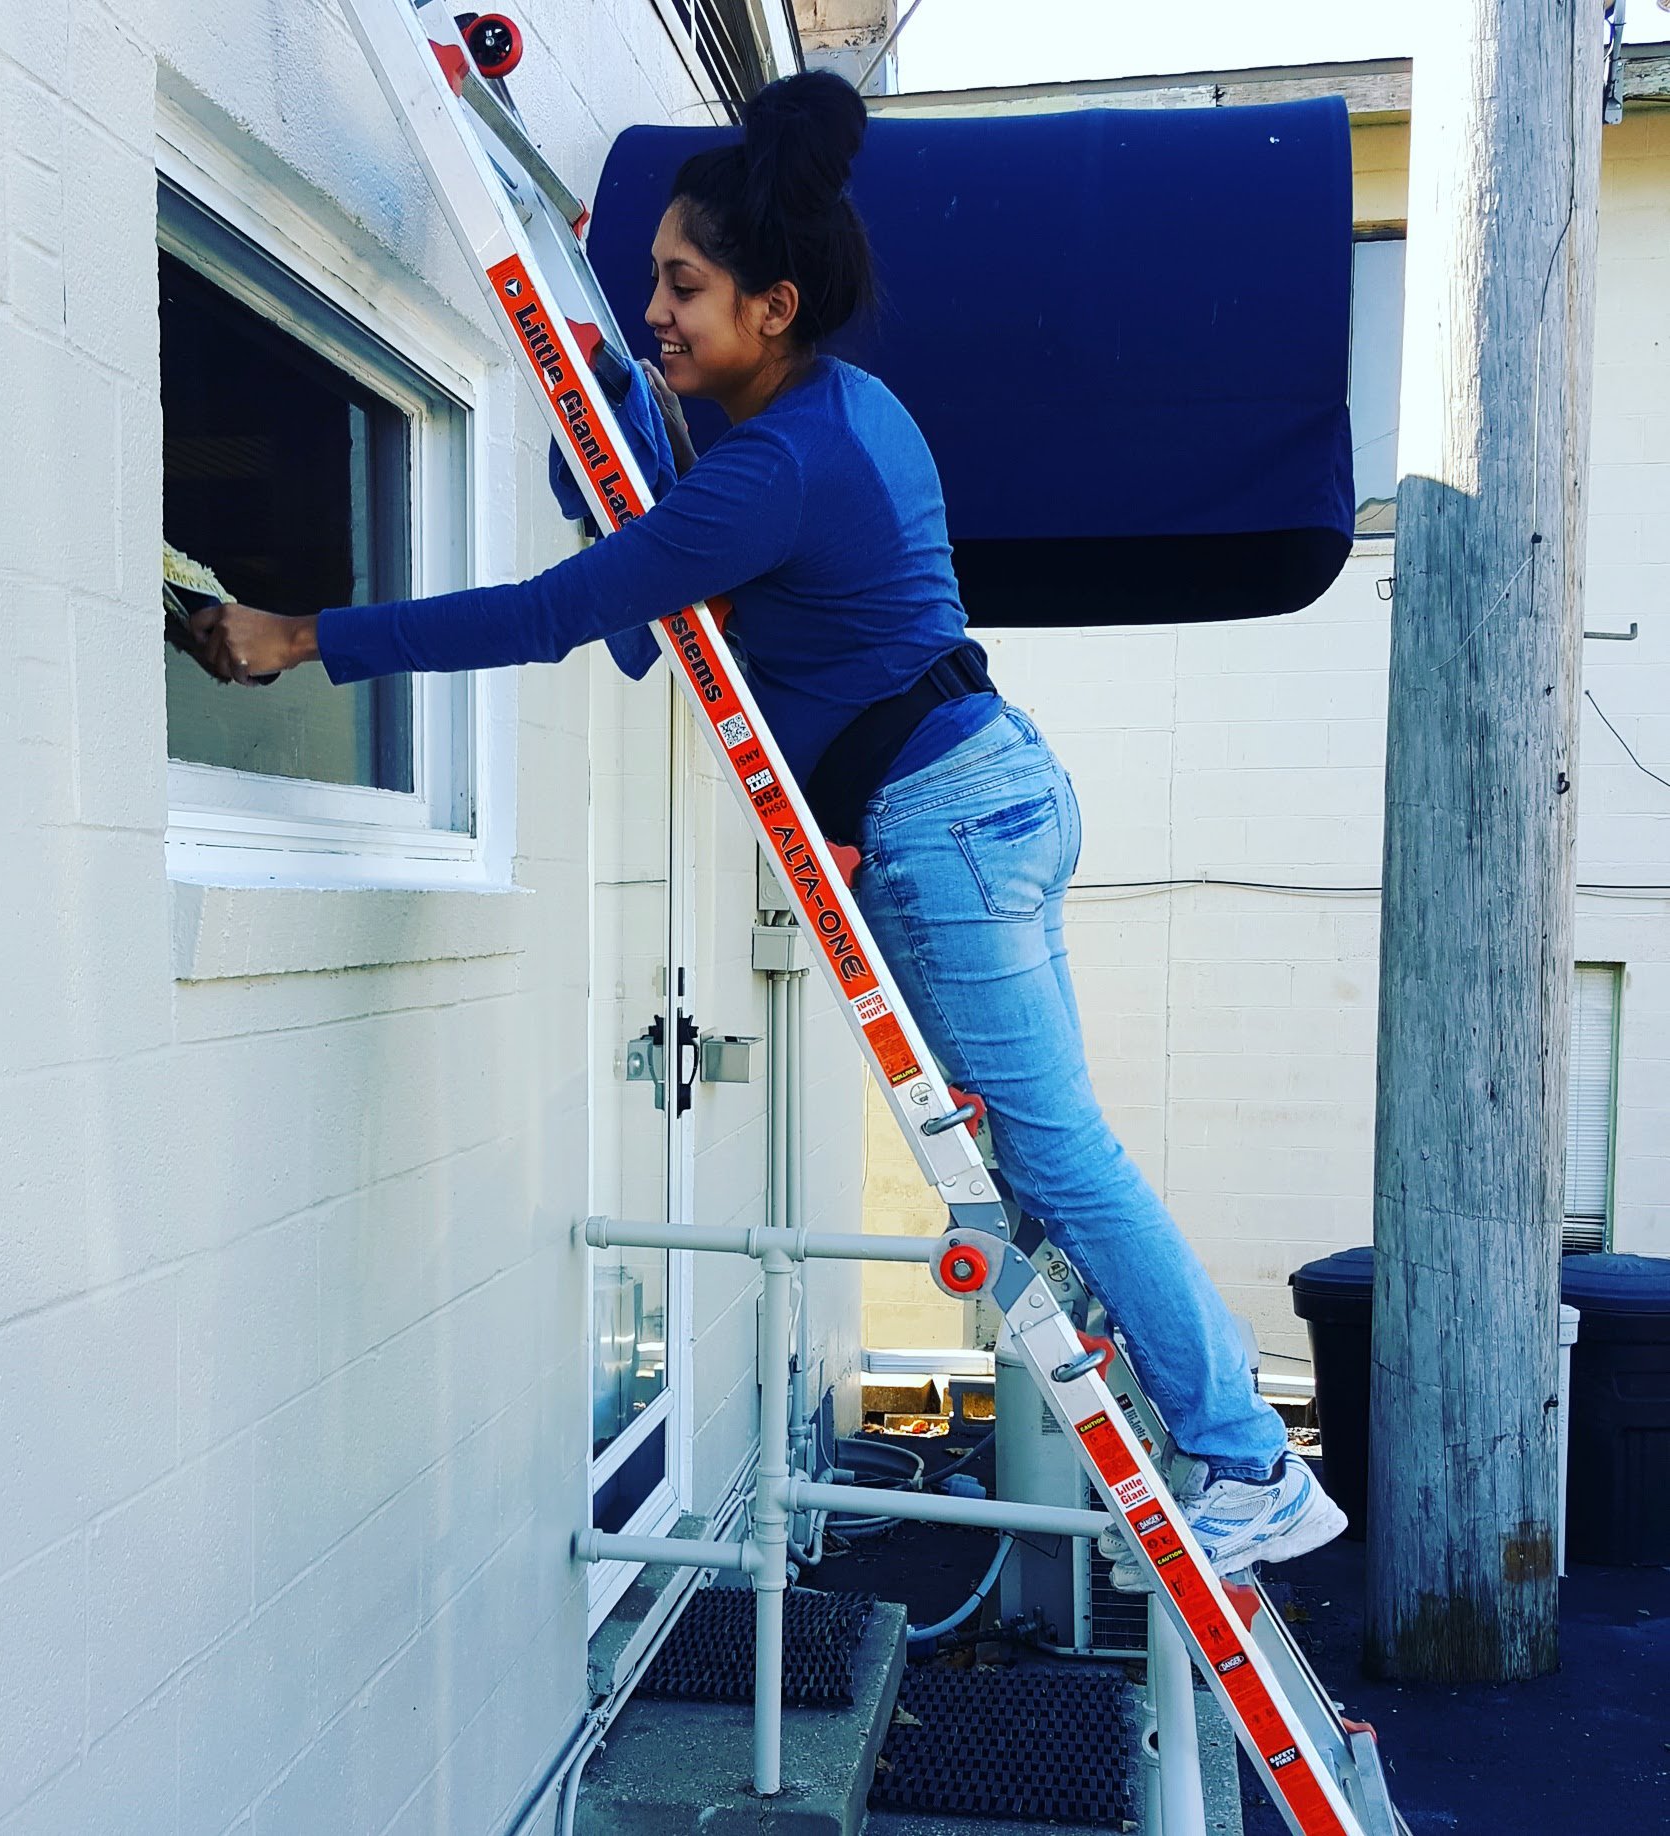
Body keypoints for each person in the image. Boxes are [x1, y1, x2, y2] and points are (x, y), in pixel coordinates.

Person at [190, 69, 1344, 1587]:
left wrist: (299, 637)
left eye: (683, 287)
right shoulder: (846, 413)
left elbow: (565, 619)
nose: (656, 311)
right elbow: (673, 619)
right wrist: (639, 479)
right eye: (652, 281)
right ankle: (1215, 1428)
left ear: (773, 306)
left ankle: (1254, 1463)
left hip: (945, 825)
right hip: (995, 789)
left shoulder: (772, 470)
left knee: (1060, 1161)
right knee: (1060, 1155)